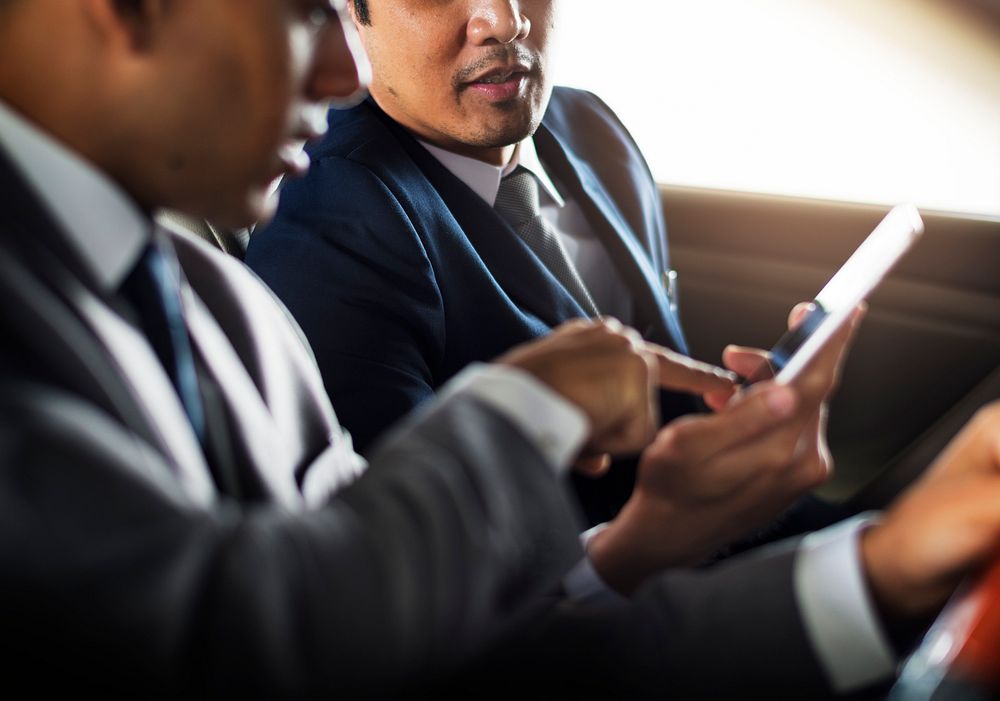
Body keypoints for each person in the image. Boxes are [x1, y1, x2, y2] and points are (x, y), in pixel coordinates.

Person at [4, 1, 1000, 699]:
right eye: (304, 5)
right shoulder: (310, 240)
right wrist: (527, 406)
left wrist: (872, 571)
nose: (343, 69)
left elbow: (445, 651)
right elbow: (267, 640)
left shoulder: (221, 303)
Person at [243, 0, 837, 531]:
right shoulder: (329, 215)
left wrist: (741, 420)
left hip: (747, 527)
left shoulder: (589, 129)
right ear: (351, 10)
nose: (503, 19)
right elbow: (401, 553)